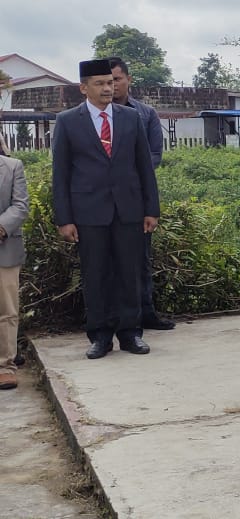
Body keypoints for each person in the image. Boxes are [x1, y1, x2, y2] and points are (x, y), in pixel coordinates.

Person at [51, 59, 160, 360]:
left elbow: (144, 167)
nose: (107, 88)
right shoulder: (68, 121)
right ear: (83, 88)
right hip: (89, 211)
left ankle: (130, 333)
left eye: (110, 82)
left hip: (129, 209)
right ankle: (99, 335)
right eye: (99, 83)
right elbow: (60, 174)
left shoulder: (130, 118)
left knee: (130, 273)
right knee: (96, 274)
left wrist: (151, 209)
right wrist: (65, 218)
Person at [108, 56, 174, 331]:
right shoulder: (91, 115)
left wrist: (125, 176)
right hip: (99, 200)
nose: (112, 86)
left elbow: (154, 157)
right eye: (106, 81)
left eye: (117, 79)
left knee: (140, 260)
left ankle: (145, 313)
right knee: (105, 260)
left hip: (136, 197)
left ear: (128, 80)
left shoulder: (145, 114)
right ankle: (110, 319)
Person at [0, 152, 28, 389]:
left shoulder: (12, 167)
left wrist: (0, 227)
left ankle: (5, 365)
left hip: (4, 248)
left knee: (6, 310)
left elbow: (20, 206)